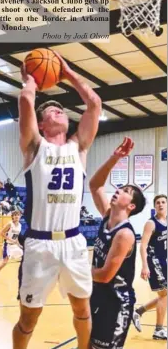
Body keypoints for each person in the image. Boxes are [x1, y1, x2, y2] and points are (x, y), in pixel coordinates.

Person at [12, 51, 101, 349]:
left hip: (74, 243)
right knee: (29, 319)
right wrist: (31, 80)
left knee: (82, 309)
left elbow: (94, 104)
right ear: (42, 124)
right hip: (40, 245)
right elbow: (26, 101)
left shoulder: (79, 147)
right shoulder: (34, 146)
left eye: (62, 110)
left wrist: (68, 74)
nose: (59, 111)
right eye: (51, 111)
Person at [89, 137, 146, 349]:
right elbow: (95, 185)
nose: (118, 190)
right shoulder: (106, 216)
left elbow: (104, 275)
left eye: (124, 192)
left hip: (115, 303)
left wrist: (77, 270)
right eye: (120, 188)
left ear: (131, 206)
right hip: (97, 295)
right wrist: (116, 158)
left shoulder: (125, 234)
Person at [132, 194, 167, 340]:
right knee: (165, 295)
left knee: (164, 295)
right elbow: (143, 246)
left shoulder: (166, 221)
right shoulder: (151, 223)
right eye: (158, 203)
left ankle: (138, 312)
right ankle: (158, 330)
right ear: (155, 206)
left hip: (163, 261)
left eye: (163, 202)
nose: (160, 204)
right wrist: (145, 266)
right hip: (153, 262)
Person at [0, 210, 23, 286]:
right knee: (4, 263)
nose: (17, 216)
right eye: (15, 215)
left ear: (20, 216)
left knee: (24, 255)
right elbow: (1, 233)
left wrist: (19, 245)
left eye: (18, 215)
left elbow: (15, 237)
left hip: (14, 245)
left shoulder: (20, 225)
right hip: (7, 245)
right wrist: (10, 240)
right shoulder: (10, 224)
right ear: (12, 217)